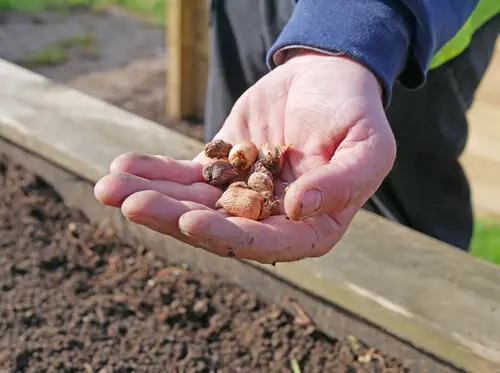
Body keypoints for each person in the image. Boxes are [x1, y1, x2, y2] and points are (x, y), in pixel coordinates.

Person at [94, 1, 500, 264]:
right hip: (251, 12)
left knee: (402, 226)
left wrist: (356, 24)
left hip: (407, 31)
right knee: (238, 235)